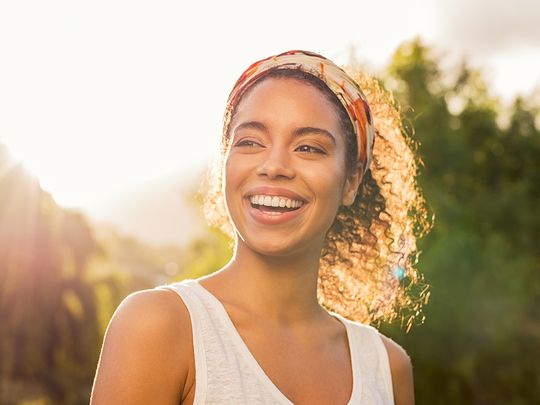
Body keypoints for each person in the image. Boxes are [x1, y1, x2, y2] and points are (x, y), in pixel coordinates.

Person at [91, 49, 430, 405]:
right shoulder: (158, 326)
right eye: (250, 142)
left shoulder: (387, 369)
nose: (274, 165)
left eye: (309, 147)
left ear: (351, 181)